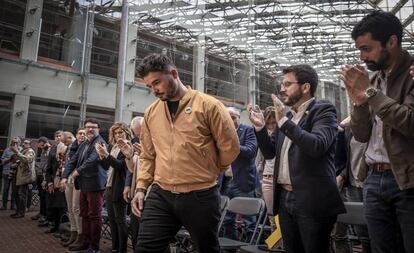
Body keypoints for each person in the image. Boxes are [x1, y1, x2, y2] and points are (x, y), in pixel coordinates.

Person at [132, 53, 240, 253]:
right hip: (161, 192)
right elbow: (148, 155)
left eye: (157, 83)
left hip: (200, 194)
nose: (154, 90)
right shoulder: (151, 112)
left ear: (173, 73)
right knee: (145, 248)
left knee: (206, 248)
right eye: (149, 87)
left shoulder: (208, 105)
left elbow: (230, 147)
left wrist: (213, 168)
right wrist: (140, 187)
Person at [248, 64, 345, 253]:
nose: (282, 89)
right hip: (285, 197)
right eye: (282, 84)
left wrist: (283, 121)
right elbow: (270, 154)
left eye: (287, 84)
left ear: (305, 87)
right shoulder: (289, 116)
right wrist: (260, 129)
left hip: (312, 199)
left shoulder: (323, 110)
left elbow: (317, 146)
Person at [340, 10, 414, 253]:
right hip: (373, 179)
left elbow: (410, 123)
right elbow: (361, 136)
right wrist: (359, 103)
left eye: (367, 48)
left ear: (391, 42)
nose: (362, 57)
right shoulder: (373, 79)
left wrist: (370, 94)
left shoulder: (411, 74)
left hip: (406, 180)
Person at [60, 118, 107, 253]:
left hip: (95, 185)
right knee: (84, 214)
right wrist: (64, 177)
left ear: (99, 129)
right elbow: (73, 160)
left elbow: (92, 161)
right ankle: (86, 243)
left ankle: (94, 247)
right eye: (88, 127)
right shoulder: (84, 143)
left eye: (93, 127)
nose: (90, 129)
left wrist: (77, 172)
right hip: (83, 185)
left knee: (95, 216)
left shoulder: (100, 142)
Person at [222, 106, 258, 240]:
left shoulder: (248, 130)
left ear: (239, 117)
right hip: (225, 182)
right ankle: (230, 248)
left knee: (249, 221)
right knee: (226, 220)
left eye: (233, 117)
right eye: (227, 118)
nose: (230, 120)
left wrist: (231, 143)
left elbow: (251, 151)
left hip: (243, 182)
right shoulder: (220, 132)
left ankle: (250, 245)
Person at [96, 122, 132, 253]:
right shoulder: (113, 146)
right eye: (116, 133)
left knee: (120, 221)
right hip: (109, 186)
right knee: (111, 220)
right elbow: (107, 167)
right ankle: (115, 248)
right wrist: (102, 156)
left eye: (121, 132)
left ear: (126, 133)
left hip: (120, 188)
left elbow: (120, 166)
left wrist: (107, 155)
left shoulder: (128, 147)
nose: (118, 135)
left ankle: (122, 249)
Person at [119, 116, 143, 251]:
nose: (139, 137)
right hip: (137, 192)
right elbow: (133, 168)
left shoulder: (159, 142)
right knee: (135, 233)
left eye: (141, 133)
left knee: (147, 237)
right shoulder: (137, 144)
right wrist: (128, 156)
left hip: (152, 195)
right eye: (137, 134)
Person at [62, 128, 86, 247]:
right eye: (80, 133)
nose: (82, 135)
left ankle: (80, 234)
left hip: (79, 180)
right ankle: (73, 231)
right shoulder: (71, 147)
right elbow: (68, 163)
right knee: (69, 208)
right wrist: (64, 177)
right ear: (76, 135)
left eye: (84, 134)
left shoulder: (87, 147)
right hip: (69, 180)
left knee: (76, 208)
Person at [255, 106, 277, 230]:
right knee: (271, 218)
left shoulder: (283, 133)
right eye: (267, 123)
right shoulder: (262, 135)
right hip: (264, 178)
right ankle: (275, 246)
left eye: (273, 123)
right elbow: (258, 159)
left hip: (279, 179)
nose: (270, 126)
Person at [45, 142, 68, 234]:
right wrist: (49, 183)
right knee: (53, 206)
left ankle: (62, 228)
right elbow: (48, 170)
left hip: (65, 183)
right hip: (54, 183)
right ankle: (55, 226)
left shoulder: (68, 154)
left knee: (62, 207)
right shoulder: (53, 154)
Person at [11, 138, 36, 218]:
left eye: (26, 143)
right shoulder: (23, 150)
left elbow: (27, 160)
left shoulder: (30, 151)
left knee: (22, 195)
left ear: (29, 144)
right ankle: (18, 211)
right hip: (20, 176)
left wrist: (17, 152)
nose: (23, 144)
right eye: (23, 142)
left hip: (25, 177)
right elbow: (20, 160)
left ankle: (21, 213)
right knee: (17, 194)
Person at [31, 137, 50, 222]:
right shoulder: (41, 151)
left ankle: (45, 214)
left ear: (45, 143)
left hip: (45, 175)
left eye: (42, 145)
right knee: (41, 196)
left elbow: (48, 163)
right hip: (39, 175)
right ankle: (41, 213)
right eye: (40, 146)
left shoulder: (49, 150)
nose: (41, 147)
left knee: (45, 196)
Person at [1, 137, 21, 210]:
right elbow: (2, 161)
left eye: (16, 142)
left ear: (19, 143)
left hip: (16, 173)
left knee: (14, 190)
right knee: (5, 189)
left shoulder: (20, 150)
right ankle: (4, 205)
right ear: (11, 142)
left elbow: (23, 161)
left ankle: (13, 205)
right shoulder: (7, 150)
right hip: (6, 171)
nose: (15, 144)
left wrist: (16, 152)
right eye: (13, 142)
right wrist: (9, 159)